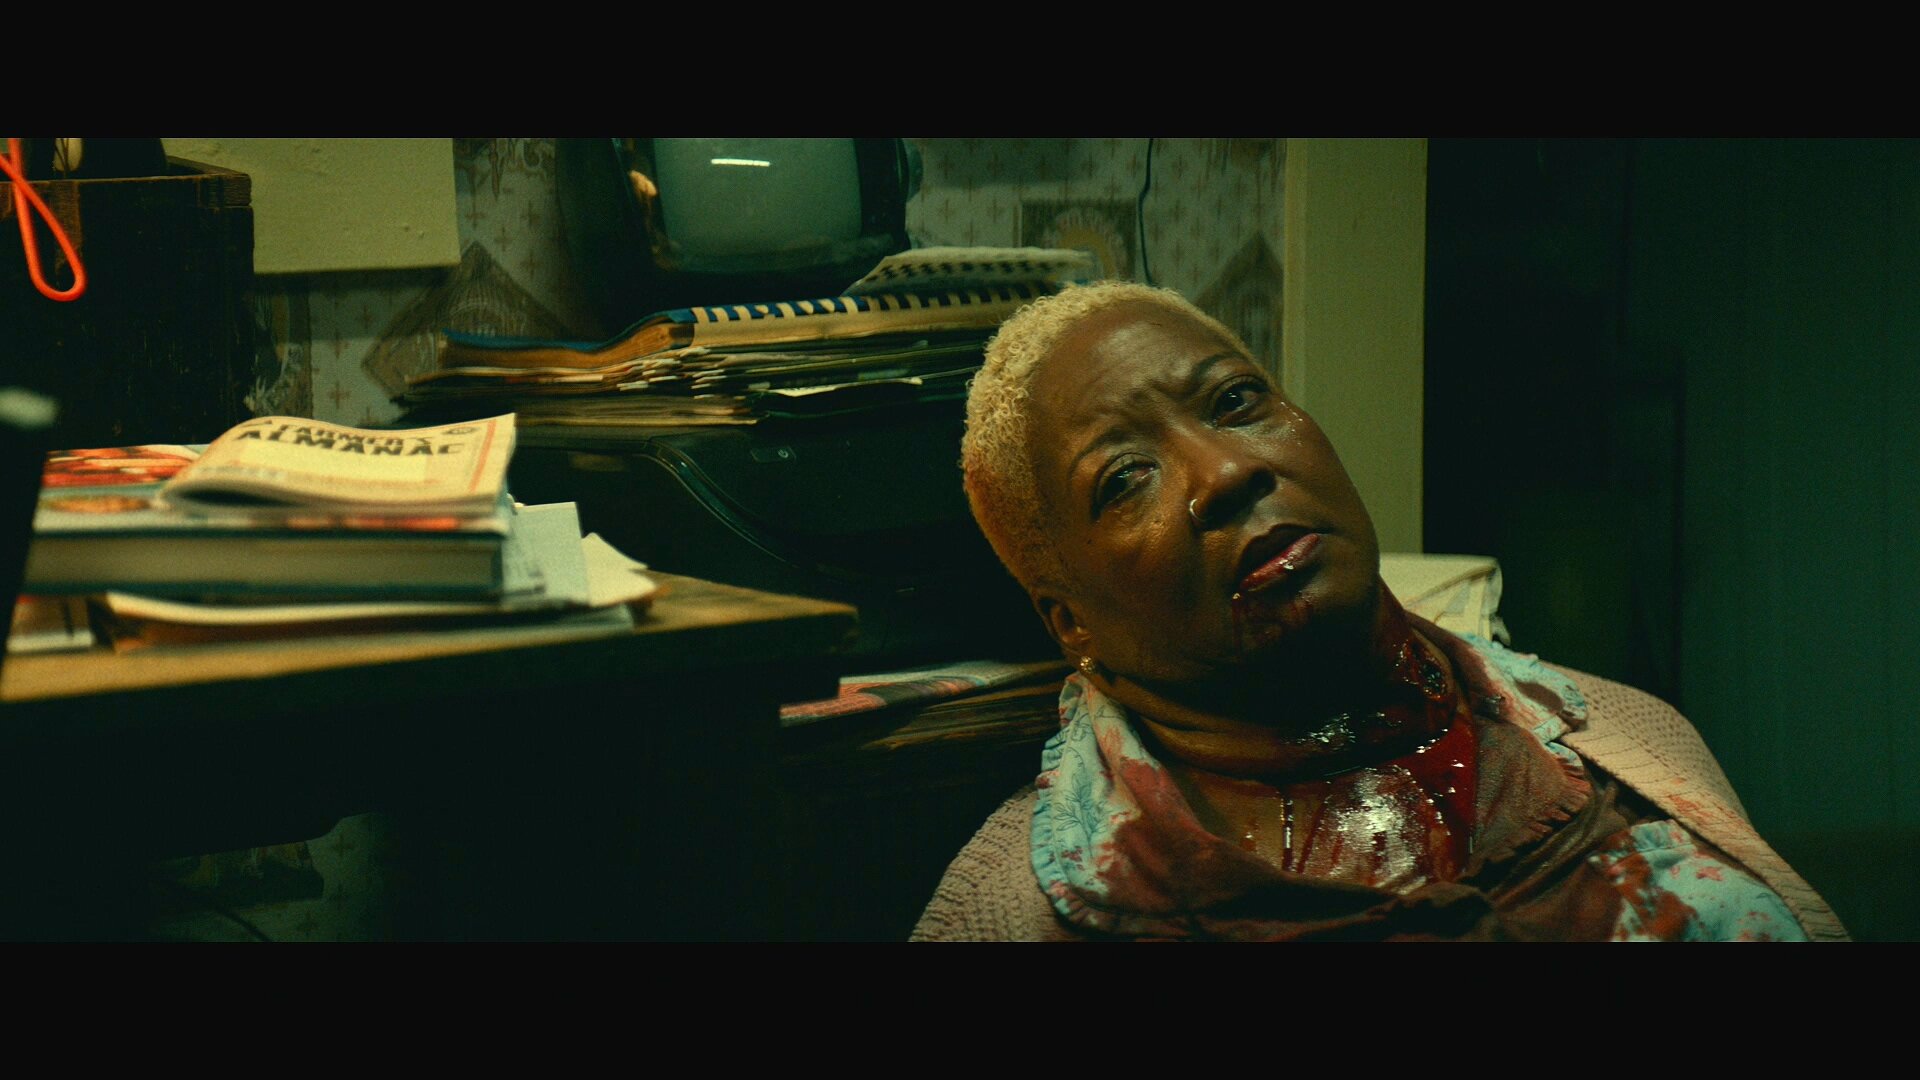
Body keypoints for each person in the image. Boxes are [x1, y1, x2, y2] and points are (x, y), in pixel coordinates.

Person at [913, 282, 1846, 941]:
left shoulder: (1634, 742)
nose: (1228, 471)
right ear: (1070, 623)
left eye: (1236, 400)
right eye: (1125, 478)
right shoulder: (1008, 919)